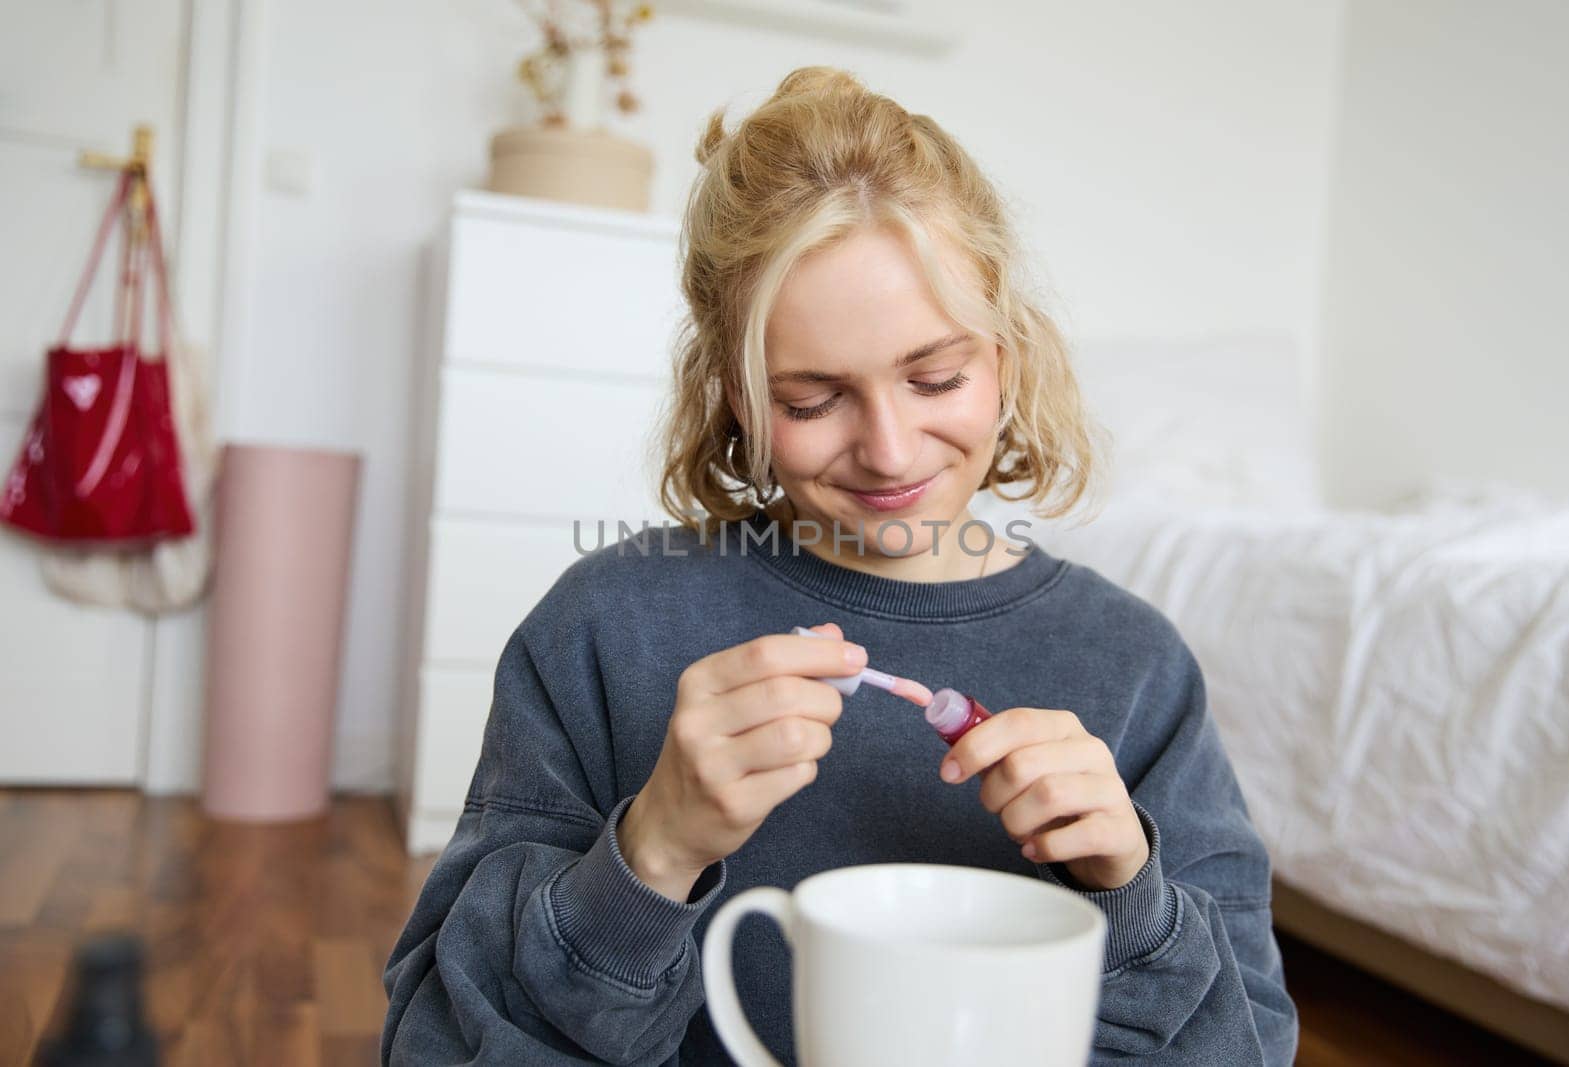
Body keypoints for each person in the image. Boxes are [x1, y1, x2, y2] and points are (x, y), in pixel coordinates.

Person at [382, 65, 1298, 1065]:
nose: (892, 450)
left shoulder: (1133, 667)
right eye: (813, 399)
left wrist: (1130, 894)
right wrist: (655, 848)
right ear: (733, 394)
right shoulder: (605, 630)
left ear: (1010, 353)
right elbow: (435, 1039)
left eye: (936, 376)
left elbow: (1244, 1043)